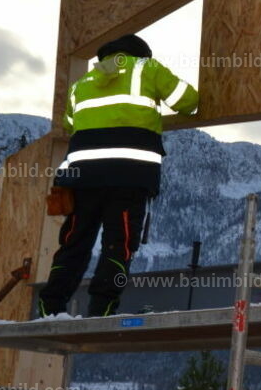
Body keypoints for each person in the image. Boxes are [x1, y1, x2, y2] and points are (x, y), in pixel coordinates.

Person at [38, 33, 198, 317]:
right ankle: (102, 308)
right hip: (129, 175)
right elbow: (188, 101)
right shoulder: (147, 69)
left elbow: (69, 123)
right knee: (118, 244)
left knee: (75, 242)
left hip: (82, 178)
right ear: (140, 54)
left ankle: (50, 306)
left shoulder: (81, 85)